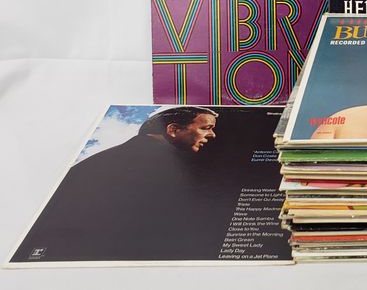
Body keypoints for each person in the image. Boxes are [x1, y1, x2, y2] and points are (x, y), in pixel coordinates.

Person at [12, 107, 226, 262]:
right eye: (206, 128)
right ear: (173, 130)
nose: (212, 134)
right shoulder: (156, 164)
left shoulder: (114, 157)